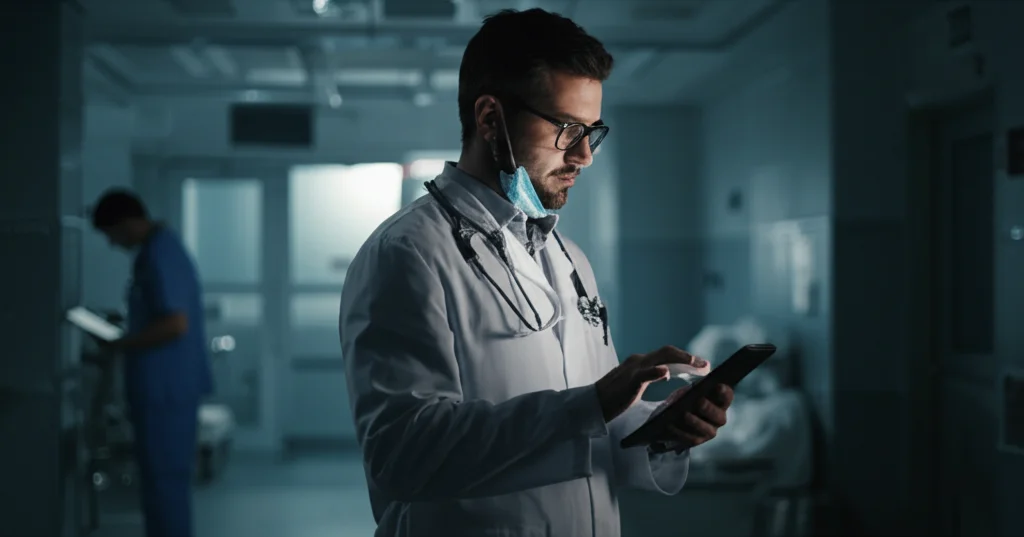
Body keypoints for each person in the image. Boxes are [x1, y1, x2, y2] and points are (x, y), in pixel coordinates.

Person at [339, 8, 735, 537]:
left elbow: (598, 430)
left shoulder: (568, 259)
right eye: (568, 129)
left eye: (592, 131)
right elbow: (402, 456)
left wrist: (665, 432)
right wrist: (587, 406)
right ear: (489, 119)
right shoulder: (406, 253)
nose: (584, 156)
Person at [91, 188, 212, 537]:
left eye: (111, 234)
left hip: (166, 391)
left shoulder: (161, 254)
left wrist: (120, 343)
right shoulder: (156, 253)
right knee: (161, 486)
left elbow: (175, 323)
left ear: (126, 223)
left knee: (165, 486)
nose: (113, 244)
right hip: (163, 388)